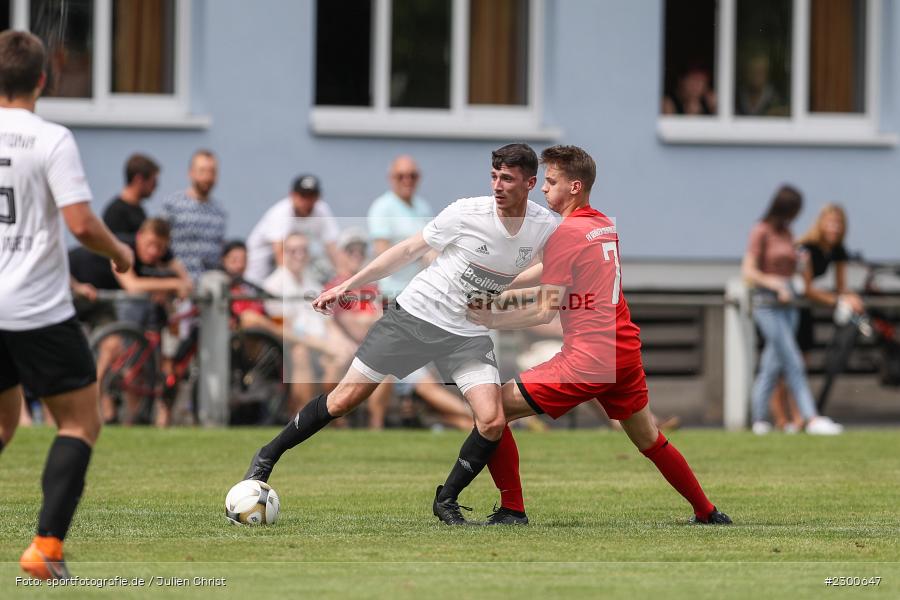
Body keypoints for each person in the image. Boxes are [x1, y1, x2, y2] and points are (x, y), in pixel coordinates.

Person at [239, 143, 558, 525]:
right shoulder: (465, 212)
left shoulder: (545, 226)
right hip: (414, 317)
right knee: (342, 401)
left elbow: (552, 265)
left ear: (530, 182)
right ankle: (267, 455)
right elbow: (407, 250)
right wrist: (349, 285)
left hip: (468, 331)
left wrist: (507, 293)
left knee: (491, 420)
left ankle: (447, 500)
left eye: (507, 178)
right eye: (494, 176)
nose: (498, 185)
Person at [466, 145, 730, 526]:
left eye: (551, 182)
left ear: (575, 187)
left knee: (494, 411)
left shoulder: (564, 234)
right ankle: (707, 512)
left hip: (588, 357)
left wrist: (490, 317)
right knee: (649, 439)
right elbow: (548, 268)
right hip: (623, 350)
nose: (543, 189)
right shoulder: (601, 225)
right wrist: (500, 287)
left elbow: (544, 310)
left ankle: (512, 509)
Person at [0, 30, 133, 579]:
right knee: (80, 424)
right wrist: (120, 251)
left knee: (4, 424)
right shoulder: (50, 139)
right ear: (42, 80)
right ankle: (45, 550)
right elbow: (80, 222)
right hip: (34, 309)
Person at [325, 228, 472, 430]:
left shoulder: (371, 287)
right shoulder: (337, 286)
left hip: (391, 346)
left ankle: (481, 419)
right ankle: (485, 417)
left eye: (360, 250)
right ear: (341, 254)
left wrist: (371, 320)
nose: (357, 255)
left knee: (435, 397)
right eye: (351, 251)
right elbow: (357, 328)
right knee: (420, 388)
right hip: (372, 351)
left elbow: (375, 320)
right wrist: (372, 319)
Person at [741, 185, 843, 435]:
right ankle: (811, 417)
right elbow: (749, 270)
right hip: (768, 304)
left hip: (790, 305)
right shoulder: (760, 230)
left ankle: (759, 420)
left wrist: (800, 264)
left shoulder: (787, 233)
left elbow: (792, 266)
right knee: (793, 359)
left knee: (771, 363)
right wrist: (773, 282)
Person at [770, 204, 864, 428]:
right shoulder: (806, 247)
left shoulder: (838, 249)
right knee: (782, 364)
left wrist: (851, 297)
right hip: (786, 307)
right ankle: (783, 419)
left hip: (805, 311)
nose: (834, 227)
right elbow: (807, 288)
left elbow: (842, 286)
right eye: (830, 222)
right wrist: (838, 300)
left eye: (838, 223)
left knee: (801, 362)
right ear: (821, 223)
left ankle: (798, 417)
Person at [263, 232, 356, 415]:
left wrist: (345, 344)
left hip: (320, 343)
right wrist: (326, 346)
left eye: (303, 250)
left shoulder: (312, 282)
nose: (299, 255)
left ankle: (326, 416)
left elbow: (328, 323)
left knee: (342, 356)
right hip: (291, 346)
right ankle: (302, 416)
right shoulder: (273, 285)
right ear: (283, 254)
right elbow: (283, 328)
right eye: (293, 251)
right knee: (301, 353)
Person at [112, 218, 193, 427]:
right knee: (130, 365)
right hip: (105, 308)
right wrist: (172, 284)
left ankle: (159, 418)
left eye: (160, 246)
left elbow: (186, 281)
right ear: (139, 236)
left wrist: (175, 284)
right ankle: (124, 417)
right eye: (149, 244)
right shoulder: (122, 248)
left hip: (153, 317)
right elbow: (133, 286)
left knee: (166, 365)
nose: (154, 251)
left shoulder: (164, 255)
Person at [244, 175, 342, 286]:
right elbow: (279, 253)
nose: (307, 200)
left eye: (312, 195)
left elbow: (333, 249)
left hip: (292, 263)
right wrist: (294, 284)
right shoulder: (281, 212)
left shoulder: (322, 210)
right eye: (303, 195)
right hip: (262, 265)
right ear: (293, 195)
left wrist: (344, 278)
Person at [367, 155, 434, 300]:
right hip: (393, 292)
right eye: (401, 176)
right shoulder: (382, 207)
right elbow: (382, 252)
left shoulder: (423, 206)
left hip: (420, 290)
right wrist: (418, 253)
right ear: (391, 178)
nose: (407, 181)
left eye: (412, 176)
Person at [161, 149, 226, 282]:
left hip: (208, 289)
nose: (207, 177)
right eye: (202, 171)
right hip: (179, 287)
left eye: (212, 172)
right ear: (191, 173)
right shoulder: (173, 205)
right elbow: (160, 246)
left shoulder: (219, 211)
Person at [102, 153, 160, 244]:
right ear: (138, 179)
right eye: (153, 182)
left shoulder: (139, 210)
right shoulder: (115, 212)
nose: (155, 187)